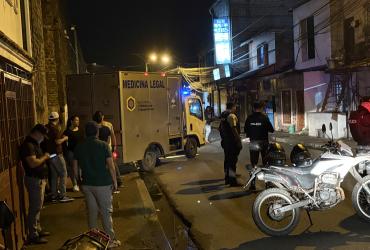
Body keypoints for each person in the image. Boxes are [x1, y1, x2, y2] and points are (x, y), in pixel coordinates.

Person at [73, 121, 121, 248]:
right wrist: (115, 181)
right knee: (105, 212)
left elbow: (75, 167)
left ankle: (94, 239)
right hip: (103, 184)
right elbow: (111, 166)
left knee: (92, 212)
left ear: (85, 133)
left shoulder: (79, 147)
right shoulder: (104, 146)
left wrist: (79, 181)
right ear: (97, 132)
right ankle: (110, 240)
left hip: (87, 184)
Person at [20, 124, 51, 244]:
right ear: (37, 133)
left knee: (38, 206)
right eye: (42, 135)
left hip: (39, 179)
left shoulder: (34, 144)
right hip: (33, 179)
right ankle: (33, 235)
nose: (43, 138)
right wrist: (45, 157)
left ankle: (37, 229)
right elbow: (33, 163)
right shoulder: (28, 145)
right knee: (35, 207)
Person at [43, 112, 74, 202]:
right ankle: (62, 195)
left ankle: (54, 195)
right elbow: (57, 142)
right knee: (63, 173)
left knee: (54, 176)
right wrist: (65, 138)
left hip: (50, 155)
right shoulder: (54, 129)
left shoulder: (46, 128)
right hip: (56, 155)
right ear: (57, 119)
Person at [244, 101, 274, 190]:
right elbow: (271, 130)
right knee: (266, 164)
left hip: (253, 143)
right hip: (264, 143)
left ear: (253, 108)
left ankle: (252, 184)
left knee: (254, 164)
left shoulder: (249, 118)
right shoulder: (264, 118)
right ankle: (267, 184)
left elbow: (246, 130)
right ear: (261, 108)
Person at [92, 111, 123, 187]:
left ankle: (116, 181)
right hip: (107, 148)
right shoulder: (108, 125)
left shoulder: (94, 125)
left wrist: (114, 145)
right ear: (102, 116)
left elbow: (112, 136)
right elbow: (112, 136)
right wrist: (114, 146)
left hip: (100, 149)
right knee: (112, 165)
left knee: (107, 165)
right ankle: (118, 181)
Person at [219, 102, 242, 186]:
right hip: (232, 142)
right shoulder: (232, 116)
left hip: (226, 141)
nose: (235, 109)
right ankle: (232, 181)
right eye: (235, 107)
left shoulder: (223, 115)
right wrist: (238, 140)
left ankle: (227, 178)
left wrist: (224, 139)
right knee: (232, 162)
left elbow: (220, 128)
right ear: (233, 107)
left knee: (227, 160)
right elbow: (234, 129)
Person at [63, 116, 83, 192]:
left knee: (79, 168)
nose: (78, 122)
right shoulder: (67, 132)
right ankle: (75, 184)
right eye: (76, 120)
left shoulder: (80, 131)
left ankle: (79, 183)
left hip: (79, 152)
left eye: (78, 120)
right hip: (71, 152)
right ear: (71, 121)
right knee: (72, 168)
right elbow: (64, 144)